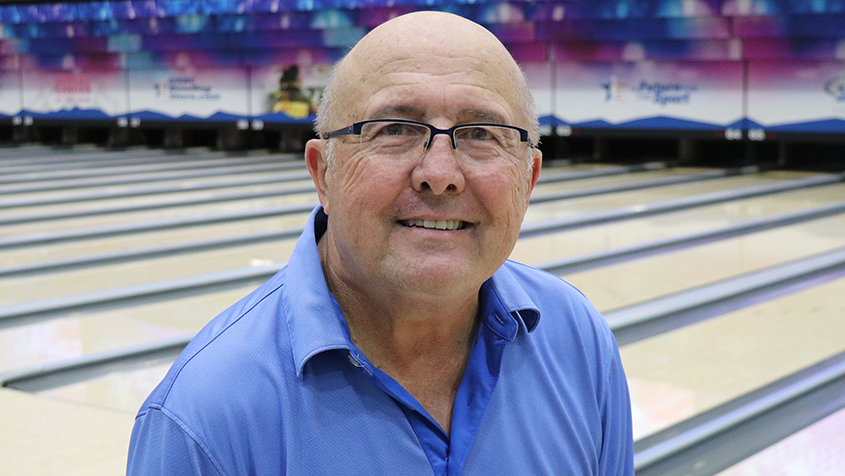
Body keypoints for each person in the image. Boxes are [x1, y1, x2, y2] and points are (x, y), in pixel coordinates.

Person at [127, 11, 634, 475]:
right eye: (394, 129)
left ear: (529, 179)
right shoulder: (202, 420)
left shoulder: (579, 339)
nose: (440, 174)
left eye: (482, 133)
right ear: (323, 173)